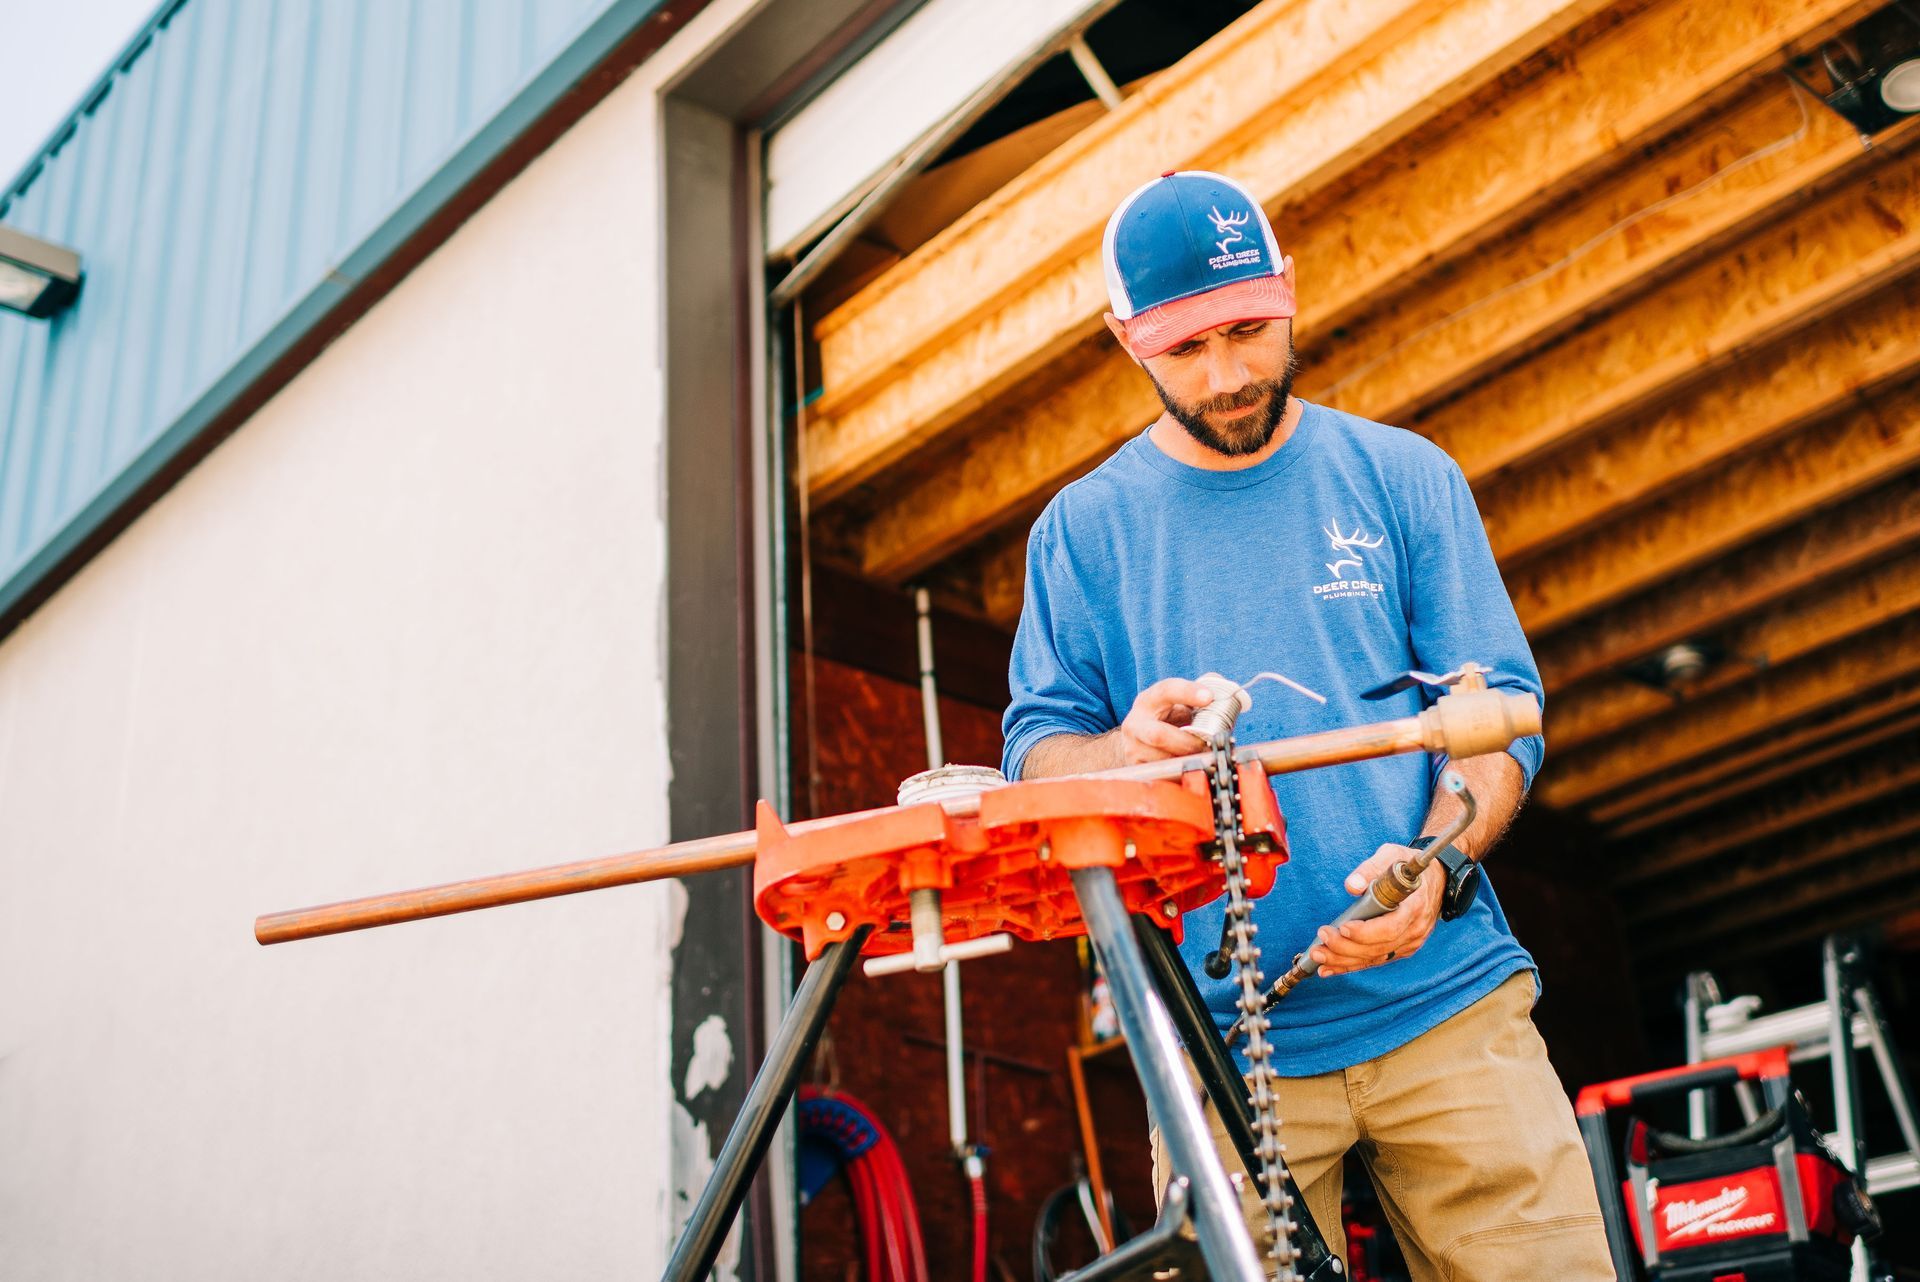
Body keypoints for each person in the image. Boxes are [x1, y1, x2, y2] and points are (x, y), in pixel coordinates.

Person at [1002, 171, 1613, 1278]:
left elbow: (1491, 726)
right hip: (1224, 1050)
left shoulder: (1405, 478)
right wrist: (1123, 752)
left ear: (1289, 289)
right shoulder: (1081, 536)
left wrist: (1434, 860)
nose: (1228, 375)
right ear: (1123, 337)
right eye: (1186, 348)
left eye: (1249, 329)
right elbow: (1041, 758)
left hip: (1447, 1004)